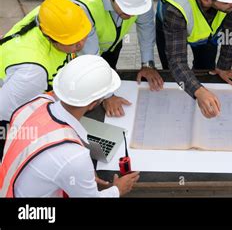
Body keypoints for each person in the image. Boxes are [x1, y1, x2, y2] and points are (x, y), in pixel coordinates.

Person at [0, 55, 140, 197]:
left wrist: (76, 175)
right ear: (93, 104)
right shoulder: (75, 157)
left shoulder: (33, 104)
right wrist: (118, 190)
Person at [64, 0, 163, 117]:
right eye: (126, 9)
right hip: (81, 50)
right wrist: (107, 96)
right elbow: (90, 56)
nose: (131, 15)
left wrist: (147, 64)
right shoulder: (82, 7)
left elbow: (146, 26)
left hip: (111, 42)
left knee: (110, 65)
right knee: (85, 92)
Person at [155, 0, 232, 118]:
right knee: (172, 72)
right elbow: (177, 61)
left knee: (206, 67)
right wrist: (198, 91)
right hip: (172, 29)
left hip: (207, 31)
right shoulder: (175, 10)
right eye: (229, 2)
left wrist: (224, 66)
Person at [0, 0, 91, 124]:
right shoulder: (33, 73)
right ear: (50, 38)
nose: (81, 44)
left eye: (83, 35)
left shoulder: (50, 18)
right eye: (73, 41)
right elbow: (4, 115)